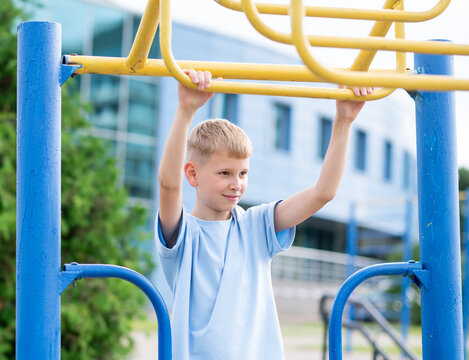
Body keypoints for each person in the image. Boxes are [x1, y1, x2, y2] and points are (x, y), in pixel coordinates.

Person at [156, 68, 372, 359]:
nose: (237, 184)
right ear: (192, 174)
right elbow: (169, 185)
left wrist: (344, 121)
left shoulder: (256, 225)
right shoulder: (183, 233)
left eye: (243, 173)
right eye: (225, 173)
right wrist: (186, 110)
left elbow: (323, 193)